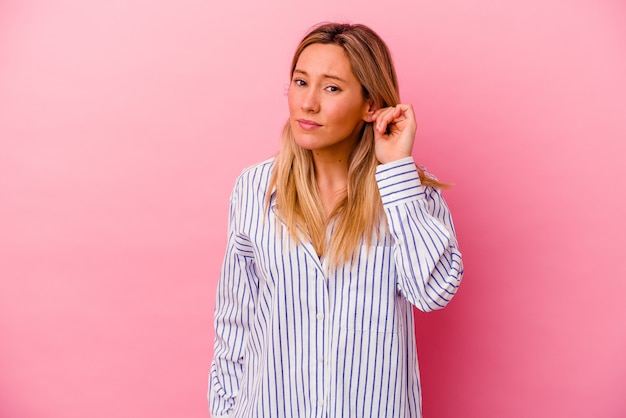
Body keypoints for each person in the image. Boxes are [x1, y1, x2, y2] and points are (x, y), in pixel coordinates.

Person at [208, 22, 463, 418]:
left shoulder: (410, 192)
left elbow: (432, 292)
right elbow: (235, 324)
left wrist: (395, 168)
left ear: (370, 105)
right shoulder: (255, 188)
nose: (307, 103)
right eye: (299, 82)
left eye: (331, 88)